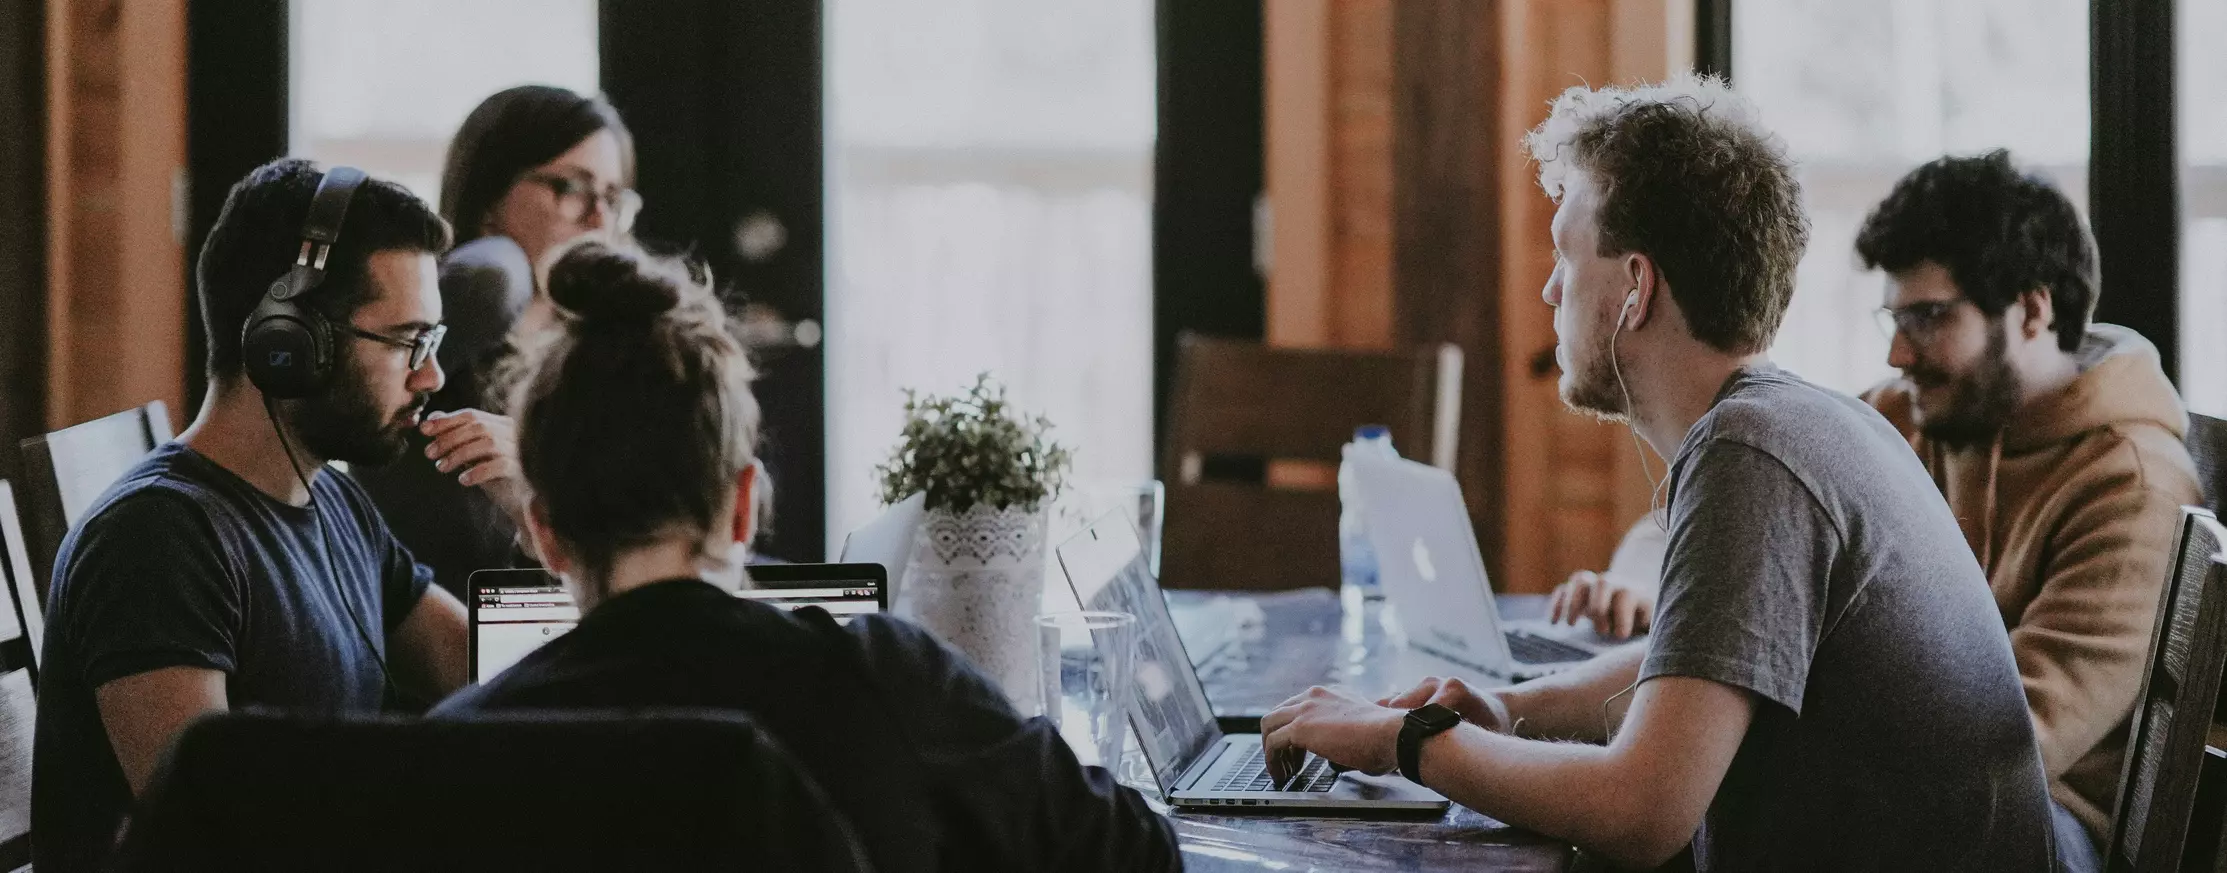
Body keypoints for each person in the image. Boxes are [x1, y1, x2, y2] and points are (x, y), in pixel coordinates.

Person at [1258, 76, 2054, 870]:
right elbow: (1692, 664)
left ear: (1635, 288)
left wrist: (1402, 741)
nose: (1549, 286)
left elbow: (1641, 810)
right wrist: (1507, 709)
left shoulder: (1750, 451)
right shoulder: (1804, 420)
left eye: (1565, 254)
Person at [430, 241, 1179, 873]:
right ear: (743, 504)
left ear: (544, 528)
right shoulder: (884, 681)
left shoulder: (463, 744)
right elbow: (1137, 852)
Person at [1546, 150, 2200, 863]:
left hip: (2037, 830)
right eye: (1892, 316)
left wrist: (1699, 713)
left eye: (1926, 317)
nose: (1896, 352)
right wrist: (1652, 588)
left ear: (2033, 309)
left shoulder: (2133, 484)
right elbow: (1727, 520)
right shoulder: (1910, 413)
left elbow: (2008, 743)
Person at [32, 159, 526, 871]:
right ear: (288, 343)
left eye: (434, 343)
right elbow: (209, 839)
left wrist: (538, 517)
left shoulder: (333, 501)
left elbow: (500, 682)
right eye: (406, 341)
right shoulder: (157, 539)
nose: (432, 377)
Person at [356, 84, 639, 598]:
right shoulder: (454, 322)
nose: (600, 219)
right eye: (571, 188)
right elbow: (485, 279)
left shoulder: (614, 348)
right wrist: (502, 259)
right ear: (490, 196)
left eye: (614, 198)